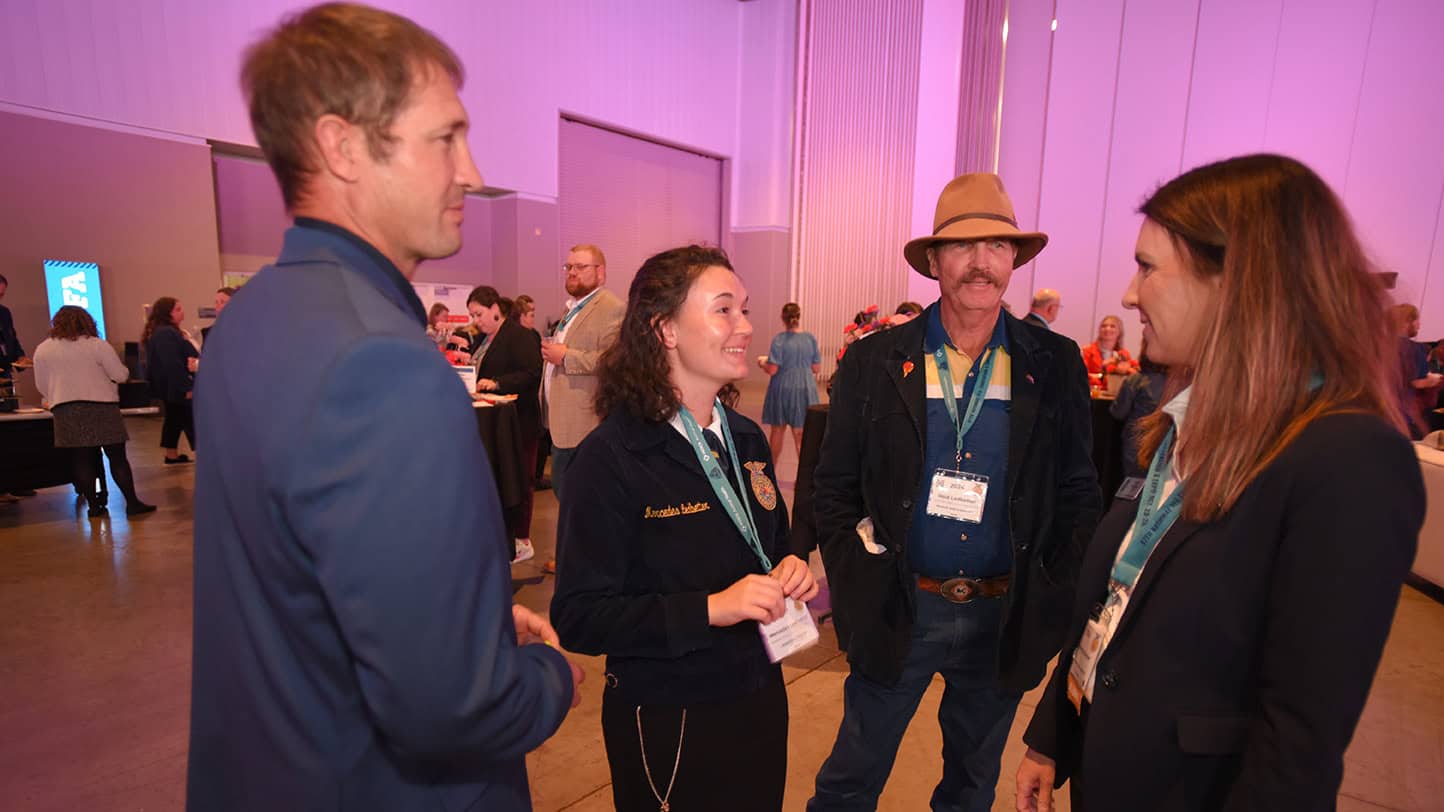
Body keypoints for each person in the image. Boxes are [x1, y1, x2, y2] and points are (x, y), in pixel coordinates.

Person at [186, 6, 580, 810]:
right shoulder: (383, 362)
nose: (469, 170)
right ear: (342, 145)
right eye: (446, 138)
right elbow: (452, 712)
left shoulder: (253, 316)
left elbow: (308, 583)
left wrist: (458, 622)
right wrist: (547, 678)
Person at [1016, 154, 1424, 812]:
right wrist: (1055, 734)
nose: (1127, 293)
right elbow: (1119, 598)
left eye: (1148, 266)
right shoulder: (1184, 427)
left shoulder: (1349, 463)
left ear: (1235, 281)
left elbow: (1295, 748)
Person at [809, 172, 1100, 812]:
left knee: (971, 788)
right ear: (935, 261)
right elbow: (831, 490)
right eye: (963, 247)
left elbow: (1079, 489)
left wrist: (1052, 584)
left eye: (997, 246)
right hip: (900, 608)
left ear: (1014, 260)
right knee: (850, 781)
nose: (981, 263)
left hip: (1003, 615)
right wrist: (857, 578)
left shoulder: (1054, 363)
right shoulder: (874, 361)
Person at [551, 245, 818, 812]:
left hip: (760, 698)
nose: (745, 326)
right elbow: (579, 616)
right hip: (671, 717)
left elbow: (767, 547)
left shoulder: (746, 439)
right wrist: (712, 608)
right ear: (665, 329)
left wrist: (788, 571)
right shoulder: (614, 457)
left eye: (744, 309)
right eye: (724, 310)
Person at [540, 242, 625, 573]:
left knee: (583, 501)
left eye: (580, 267)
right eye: (569, 267)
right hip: (561, 420)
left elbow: (614, 360)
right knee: (569, 497)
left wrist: (566, 357)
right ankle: (573, 559)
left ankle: (587, 564)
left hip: (584, 423)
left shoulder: (611, 308)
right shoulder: (574, 308)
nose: (572, 272)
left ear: (600, 272)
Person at [32, 306, 155, 518]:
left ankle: (94, 507)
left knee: (81, 459)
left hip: (66, 409)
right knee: (117, 458)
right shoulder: (97, 345)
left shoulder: (43, 349)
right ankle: (132, 503)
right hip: (102, 407)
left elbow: (42, 386)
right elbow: (120, 375)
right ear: (87, 322)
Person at [468, 285, 543, 564]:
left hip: (519, 421)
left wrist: (498, 383)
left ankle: (522, 539)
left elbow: (531, 372)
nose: (476, 320)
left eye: (479, 314)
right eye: (473, 316)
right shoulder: (484, 339)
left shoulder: (519, 336)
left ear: (495, 310)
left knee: (520, 479)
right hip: (495, 425)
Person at [758, 302, 821, 463]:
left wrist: (762, 363)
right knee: (801, 436)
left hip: (782, 388)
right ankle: (804, 482)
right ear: (799, 317)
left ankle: (771, 476)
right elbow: (816, 368)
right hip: (805, 388)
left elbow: (773, 369)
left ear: (783, 318)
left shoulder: (779, 340)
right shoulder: (810, 339)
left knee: (777, 431)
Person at [142, 296, 198, 464]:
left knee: (174, 419)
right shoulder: (166, 333)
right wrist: (187, 386)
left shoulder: (163, 331)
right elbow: (172, 363)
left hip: (171, 386)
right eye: (177, 309)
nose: (182, 312)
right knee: (189, 419)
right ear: (167, 313)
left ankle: (171, 454)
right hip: (175, 386)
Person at [1108, 339, 1166, 480]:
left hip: (1136, 444)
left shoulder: (1135, 380)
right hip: (1164, 444)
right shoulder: (1178, 383)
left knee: (1133, 486)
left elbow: (1118, 412)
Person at [1081, 314, 1139, 378]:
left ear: (1120, 332)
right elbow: (1082, 375)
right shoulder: (1087, 351)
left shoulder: (1124, 354)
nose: (1107, 329)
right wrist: (1104, 371)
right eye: (1104, 326)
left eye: (1112, 326)